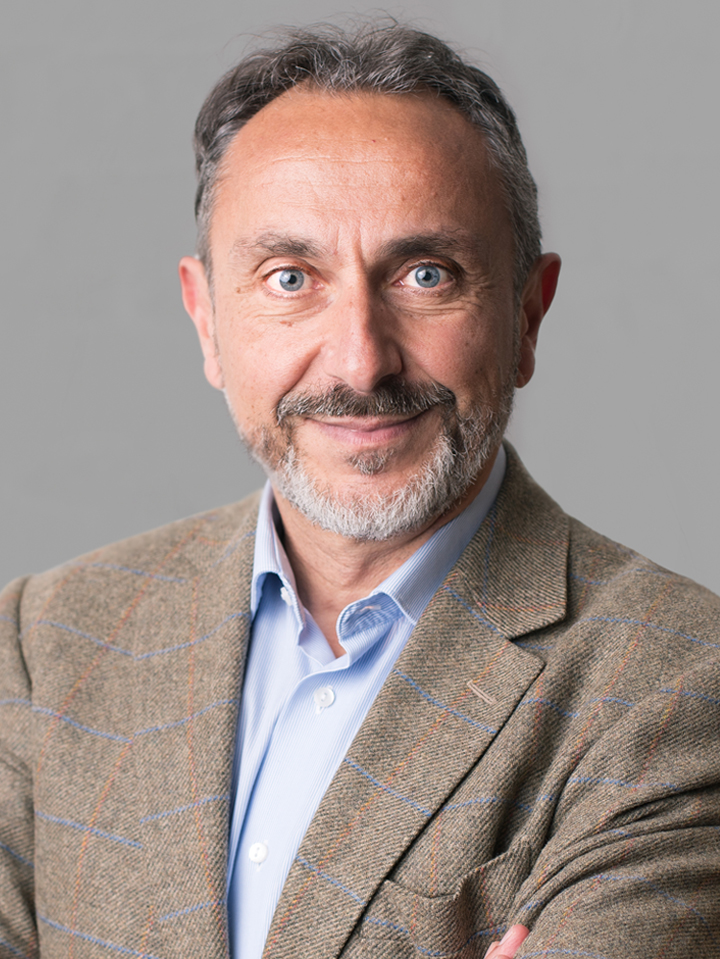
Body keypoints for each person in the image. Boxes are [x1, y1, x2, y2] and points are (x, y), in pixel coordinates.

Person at [1, 21, 718, 959]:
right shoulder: (46, 641)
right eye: (290, 277)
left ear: (527, 315)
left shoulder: (679, 686)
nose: (360, 361)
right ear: (208, 320)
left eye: (426, 275)